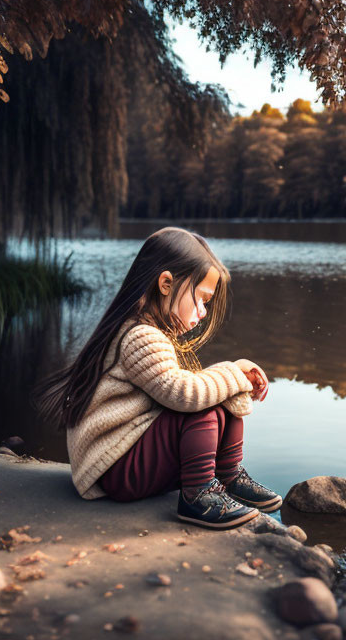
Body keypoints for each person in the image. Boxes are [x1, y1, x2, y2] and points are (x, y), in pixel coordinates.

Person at [32, 227, 282, 529]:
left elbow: (182, 389)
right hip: (115, 469)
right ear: (166, 283)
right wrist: (234, 373)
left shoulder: (147, 331)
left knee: (216, 395)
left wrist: (233, 376)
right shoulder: (140, 336)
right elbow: (183, 395)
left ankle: (227, 477)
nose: (203, 312)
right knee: (202, 406)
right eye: (201, 299)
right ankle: (198, 497)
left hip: (128, 459)